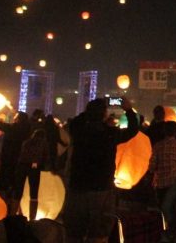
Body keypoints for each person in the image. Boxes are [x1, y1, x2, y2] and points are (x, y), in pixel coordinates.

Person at [64, 97, 139, 243]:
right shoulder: (110, 134)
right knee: (98, 231)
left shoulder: (79, 132)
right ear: (104, 115)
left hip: (78, 186)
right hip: (102, 187)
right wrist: (129, 110)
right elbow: (133, 130)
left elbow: (75, 122)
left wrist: (91, 110)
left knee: (74, 231)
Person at [0, 106, 31, 201]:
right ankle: (12, 198)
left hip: (8, 154)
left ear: (19, 119)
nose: (14, 117)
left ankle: (2, 198)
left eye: (16, 116)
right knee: (14, 176)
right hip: (19, 156)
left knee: (4, 175)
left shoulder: (12, 128)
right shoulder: (26, 130)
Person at [150, 121, 176, 206]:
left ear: (164, 131)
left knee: (162, 205)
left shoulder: (158, 146)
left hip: (161, 182)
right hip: (175, 183)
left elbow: (152, 165)